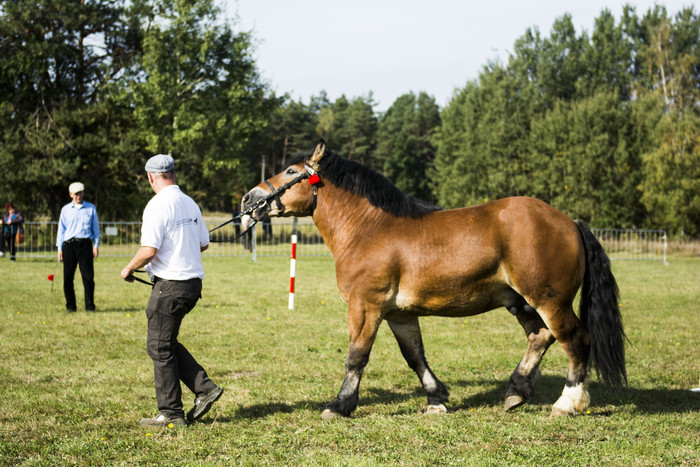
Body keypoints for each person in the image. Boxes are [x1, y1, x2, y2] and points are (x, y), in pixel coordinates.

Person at [120, 154, 223, 428]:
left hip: (170, 287)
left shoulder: (156, 205)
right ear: (173, 173)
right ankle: (205, 388)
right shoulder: (189, 202)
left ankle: (171, 414)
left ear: (150, 177)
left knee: (159, 347)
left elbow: (149, 250)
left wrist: (128, 269)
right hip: (191, 286)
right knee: (166, 343)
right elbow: (203, 244)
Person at [56, 183, 100, 312]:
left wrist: (96, 246)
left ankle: (90, 306)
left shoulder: (90, 208)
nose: (78, 196)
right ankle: (70, 306)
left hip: (85, 244)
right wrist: (59, 248)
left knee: (88, 277)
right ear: (71, 195)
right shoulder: (65, 210)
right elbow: (61, 230)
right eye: (76, 194)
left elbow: (96, 229)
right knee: (68, 278)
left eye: (80, 193)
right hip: (69, 245)